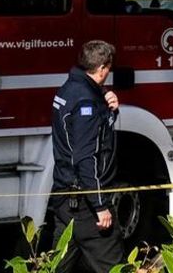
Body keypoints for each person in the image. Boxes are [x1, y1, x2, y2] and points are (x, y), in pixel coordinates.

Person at [50, 39, 123, 273]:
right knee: (115, 267)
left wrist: (110, 110)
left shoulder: (69, 89)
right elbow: (86, 157)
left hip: (64, 197)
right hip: (85, 204)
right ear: (102, 68)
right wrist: (100, 205)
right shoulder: (86, 102)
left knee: (58, 267)